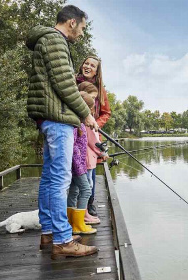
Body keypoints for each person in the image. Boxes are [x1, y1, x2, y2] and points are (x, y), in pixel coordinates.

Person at [26, 5, 98, 259]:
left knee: (49, 178)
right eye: (82, 27)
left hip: (50, 118)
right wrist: (86, 114)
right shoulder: (55, 41)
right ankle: (62, 239)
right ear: (72, 22)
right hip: (57, 119)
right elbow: (66, 86)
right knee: (59, 179)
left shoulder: (46, 40)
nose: (81, 32)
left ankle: (49, 231)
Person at [76, 56, 111, 217]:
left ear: (97, 71)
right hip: (75, 131)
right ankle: (76, 207)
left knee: (90, 169)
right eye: (86, 63)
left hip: (92, 134)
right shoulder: (73, 83)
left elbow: (106, 113)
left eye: (92, 65)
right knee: (77, 170)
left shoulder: (100, 90)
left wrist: (95, 124)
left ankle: (89, 204)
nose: (88, 66)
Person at [66, 91, 99, 235]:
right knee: (85, 190)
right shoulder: (76, 125)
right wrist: (80, 168)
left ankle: (71, 222)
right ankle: (79, 224)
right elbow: (74, 149)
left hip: (77, 166)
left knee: (74, 191)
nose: (90, 113)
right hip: (78, 166)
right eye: (89, 109)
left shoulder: (79, 124)